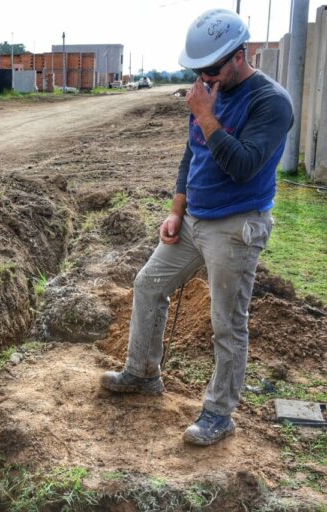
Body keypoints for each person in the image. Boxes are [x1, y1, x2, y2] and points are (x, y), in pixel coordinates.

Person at [100, 8, 293, 446]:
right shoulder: (207, 90)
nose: (205, 77)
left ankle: (219, 414)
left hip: (237, 223)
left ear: (240, 56)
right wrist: (176, 210)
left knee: (227, 322)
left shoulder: (271, 103)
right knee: (149, 284)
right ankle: (143, 373)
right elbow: (193, 154)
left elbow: (243, 166)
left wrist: (207, 115)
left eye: (212, 69)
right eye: (199, 70)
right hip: (193, 219)